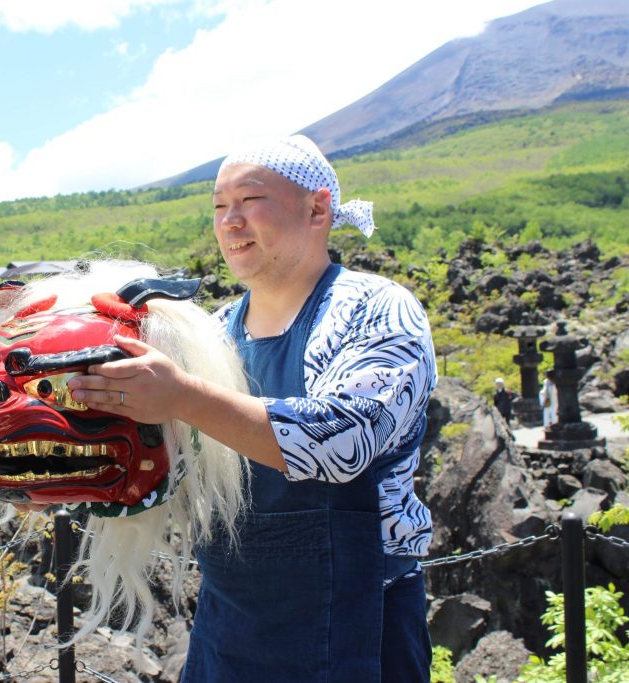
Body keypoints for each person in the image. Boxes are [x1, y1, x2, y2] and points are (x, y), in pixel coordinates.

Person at [67, 136, 437, 682]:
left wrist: (182, 396)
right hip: (232, 622)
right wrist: (66, 474)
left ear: (317, 208)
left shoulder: (377, 308)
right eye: (219, 206)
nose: (229, 221)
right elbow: (165, 464)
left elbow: (341, 442)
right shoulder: (214, 333)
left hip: (358, 616)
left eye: (248, 200)